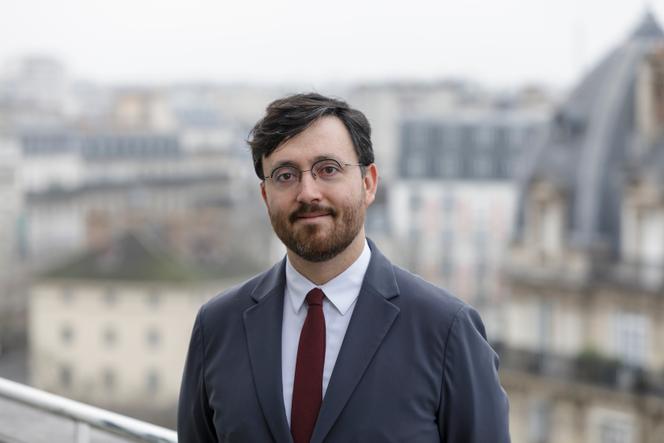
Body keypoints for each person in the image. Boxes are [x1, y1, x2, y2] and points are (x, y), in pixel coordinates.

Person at [177, 93, 510, 443]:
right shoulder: (217, 327)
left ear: (368, 183)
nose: (308, 192)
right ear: (265, 196)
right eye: (285, 175)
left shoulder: (446, 330)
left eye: (328, 169)